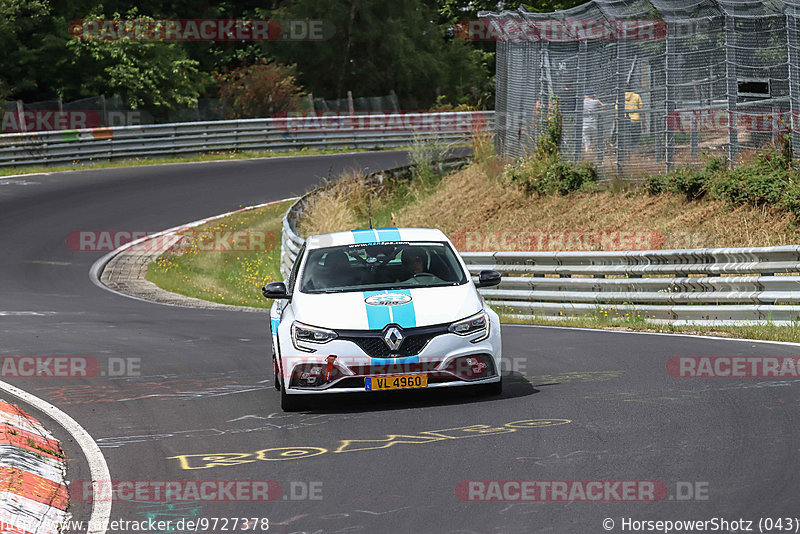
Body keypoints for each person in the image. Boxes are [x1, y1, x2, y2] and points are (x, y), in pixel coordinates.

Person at [582, 89, 604, 162]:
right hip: (594, 125)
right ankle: (594, 160)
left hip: (585, 125)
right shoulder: (595, 102)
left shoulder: (582, 103)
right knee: (594, 143)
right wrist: (596, 98)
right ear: (592, 95)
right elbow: (603, 107)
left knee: (587, 143)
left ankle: (587, 160)